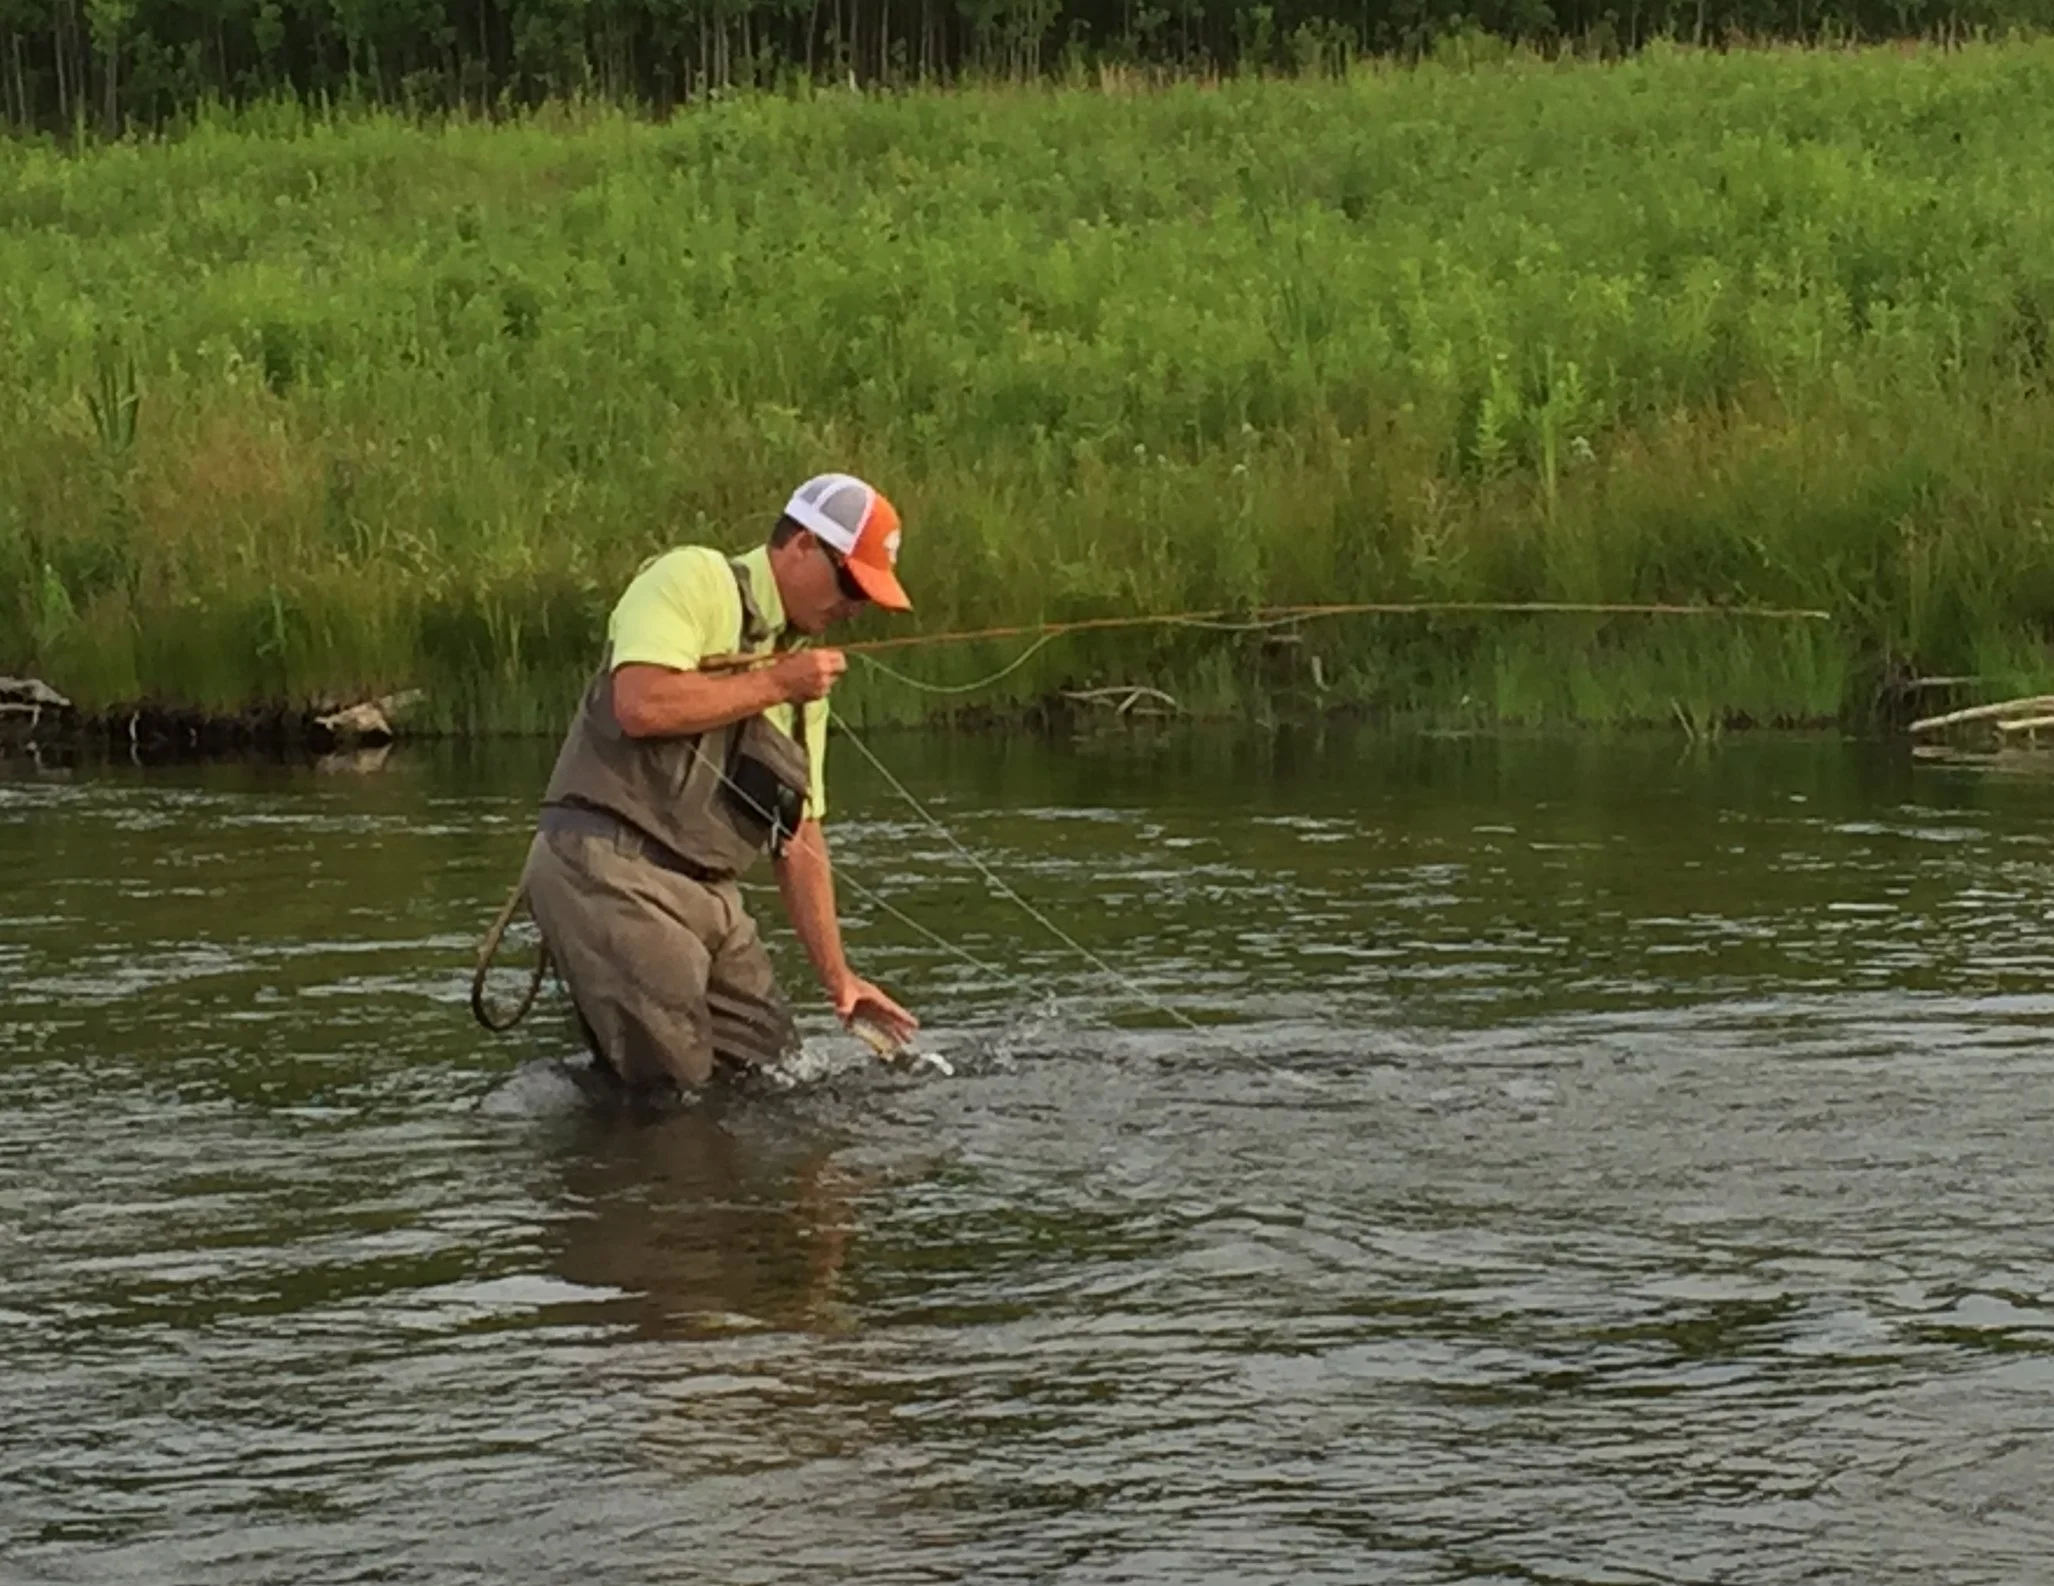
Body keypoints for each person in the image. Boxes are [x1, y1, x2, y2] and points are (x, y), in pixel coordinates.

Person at [521, 472, 919, 1101]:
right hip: (611, 867)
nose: (854, 607)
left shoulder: (799, 677)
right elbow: (640, 703)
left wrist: (839, 979)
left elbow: (798, 835)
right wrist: (777, 683)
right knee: (678, 1097)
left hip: (710, 896)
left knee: (776, 1076)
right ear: (801, 547)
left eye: (869, 596)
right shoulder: (695, 579)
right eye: (850, 584)